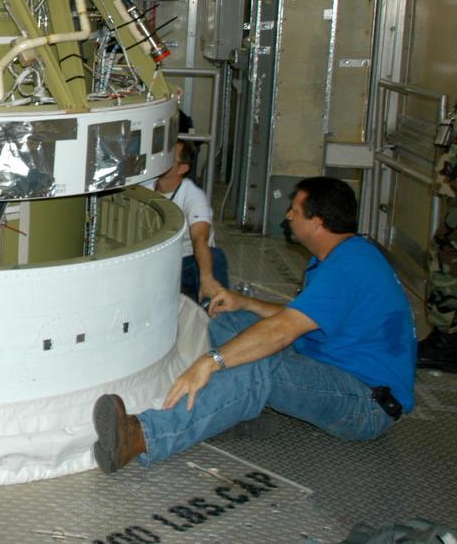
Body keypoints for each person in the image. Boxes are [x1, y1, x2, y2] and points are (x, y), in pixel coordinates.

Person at [92, 177, 417, 474]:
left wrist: (210, 362)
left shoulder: (347, 268)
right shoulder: (344, 255)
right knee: (231, 321)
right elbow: (304, 317)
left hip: (365, 402)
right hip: (330, 362)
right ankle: (239, 404)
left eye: (295, 210)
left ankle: (144, 437)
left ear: (316, 222)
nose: (288, 215)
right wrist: (244, 303)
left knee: (260, 366)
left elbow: (284, 330)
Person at [145, 139, 227, 301]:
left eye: (169, 158)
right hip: (154, 262)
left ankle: (216, 311)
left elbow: (200, 239)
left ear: (183, 168)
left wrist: (207, 278)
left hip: (184, 263)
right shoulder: (144, 188)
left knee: (215, 256)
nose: (161, 160)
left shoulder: (194, 197)